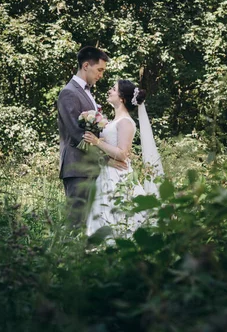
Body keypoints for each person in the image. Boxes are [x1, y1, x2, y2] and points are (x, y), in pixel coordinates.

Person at [82, 79, 164, 238]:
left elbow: (122, 154)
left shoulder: (126, 122)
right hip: (107, 173)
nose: (109, 91)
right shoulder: (113, 122)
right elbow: (111, 152)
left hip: (118, 177)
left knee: (119, 217)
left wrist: (97, 141)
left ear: (121, 98)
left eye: (113, 89)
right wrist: (104, 157)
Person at [57, 46, 113, 227]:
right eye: (100, 70)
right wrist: (105, 150)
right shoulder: (69, 93)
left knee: (90, 223)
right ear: (86, 65)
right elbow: (76, 132)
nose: (101, 75)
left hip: (90, 166)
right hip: (77, 167)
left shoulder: (86, 92)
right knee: (77, 222)